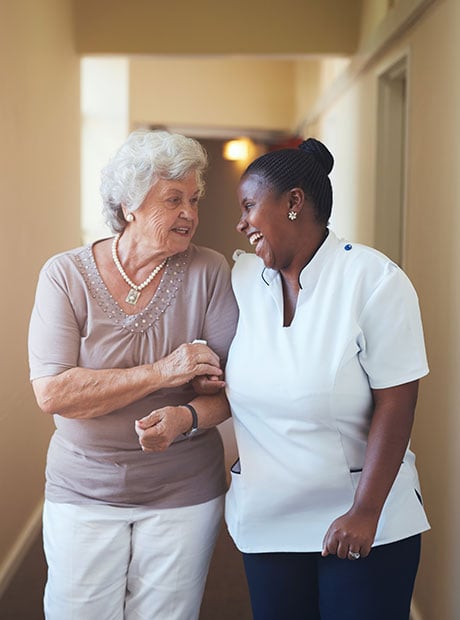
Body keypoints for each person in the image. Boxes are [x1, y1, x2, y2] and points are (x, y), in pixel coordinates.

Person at [28, 129, 238, 620]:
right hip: (83, 487)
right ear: (129, 206)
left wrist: (185, 416)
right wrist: (166, 371)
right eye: (173, 199)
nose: (190, 212)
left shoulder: (209, 271)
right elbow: (55, 392)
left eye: (194, 198)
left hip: (183, 489)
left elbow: (233, 390)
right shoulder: (65, 276)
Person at [224, 138, 430, 620]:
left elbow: (396, 403)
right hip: (268, 522)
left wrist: (366, 511)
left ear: (294, 202)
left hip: (360, 522)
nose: (241, 222)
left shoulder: (374, 280)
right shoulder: (242, 282)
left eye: (249, 206)